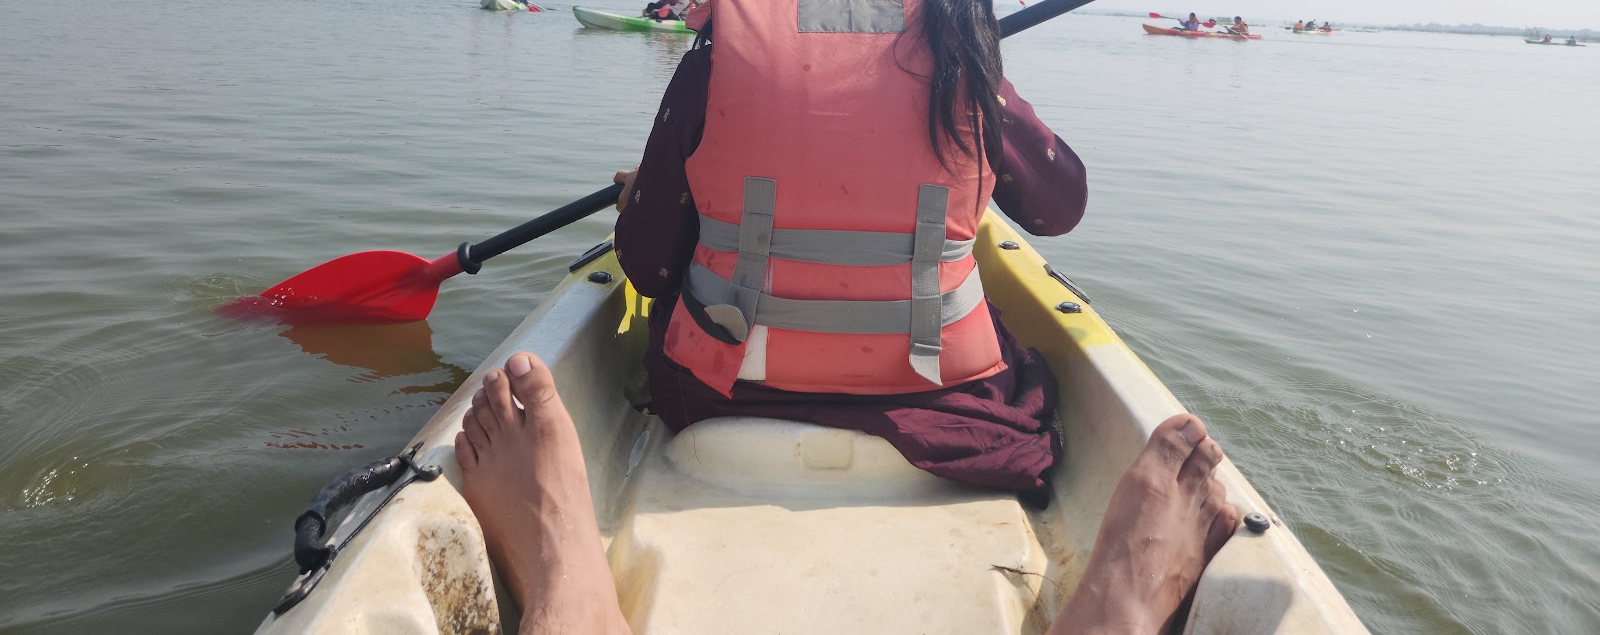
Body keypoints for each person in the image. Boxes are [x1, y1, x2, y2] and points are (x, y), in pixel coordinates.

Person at [608, 0, 1086, 498]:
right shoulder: (958, 51)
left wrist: (643, 199)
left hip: (722, 399)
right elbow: (1058, 209)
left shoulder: (713, 61)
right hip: (949, 409)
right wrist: (981, 66)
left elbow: (646, 264)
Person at [455, 351, 1239, 635]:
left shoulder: (712, 56)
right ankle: (1113, 621)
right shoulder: (966, 63)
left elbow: (651, 254)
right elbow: (1059, 203)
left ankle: (571, 600)